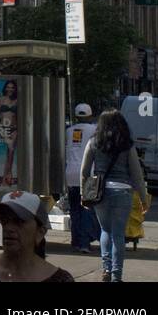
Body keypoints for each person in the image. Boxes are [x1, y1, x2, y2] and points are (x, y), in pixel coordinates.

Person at [81, 108, 150, 282]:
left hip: (100, 192)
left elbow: (84, 171)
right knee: (118, 234)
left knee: (105, 230)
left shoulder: (93, 142)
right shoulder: (127, 144)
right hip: (122, 191)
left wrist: (84, 193)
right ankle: (116, 275)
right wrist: (144, 198)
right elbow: (136, 174)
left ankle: (106, 268)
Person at [0, 191, 74, 282]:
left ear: (40, 232)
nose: (9, 228)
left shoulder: (60, 279)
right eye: (4, 220)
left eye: (19, 221)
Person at [65, 103, 99, 254]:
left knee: (74, 209)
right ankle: (85, 243)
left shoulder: (69, 131)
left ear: (77, 116)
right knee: (87, 208)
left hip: (70, 173)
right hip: (88, 174)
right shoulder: (94, 130)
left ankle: (75, 240)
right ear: (90, 115)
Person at [0, 80, 19, 186]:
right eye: (8, 87)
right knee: (10, 151)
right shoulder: (1, 100)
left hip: (14, 129)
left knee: (11, 153)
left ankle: (6, 177)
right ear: (5, 88)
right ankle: (7, 176)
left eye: (12, 87)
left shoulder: (17, 101)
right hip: (3, 128)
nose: (10, 89)